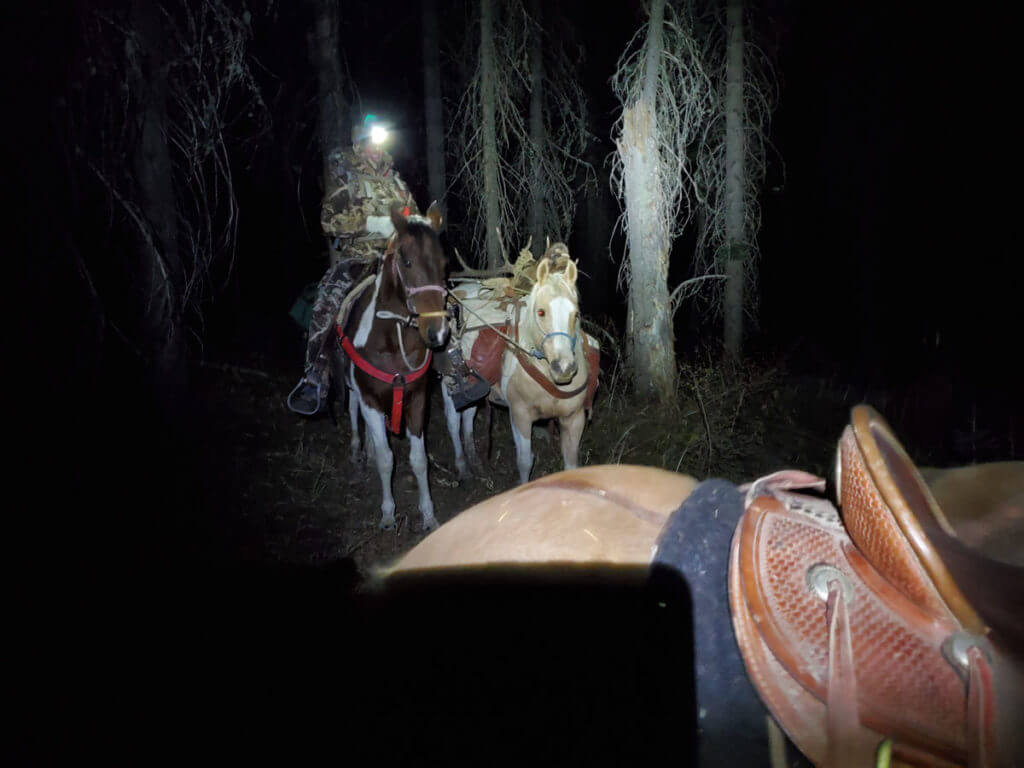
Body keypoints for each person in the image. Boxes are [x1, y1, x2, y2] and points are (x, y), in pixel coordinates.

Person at [287, 114, 488, 416]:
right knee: (326, 301)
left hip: (399, 259)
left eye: (380, 144)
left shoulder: (397, 183)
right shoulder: (347, 181)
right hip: (359, 258)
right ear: (359, 145)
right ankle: (315, 375)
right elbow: (329, 221)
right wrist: (370, 222)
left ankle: (457, 372)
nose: (376, 150)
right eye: (370, 144)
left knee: (435, 295)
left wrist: (422, 226)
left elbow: (416, 222)